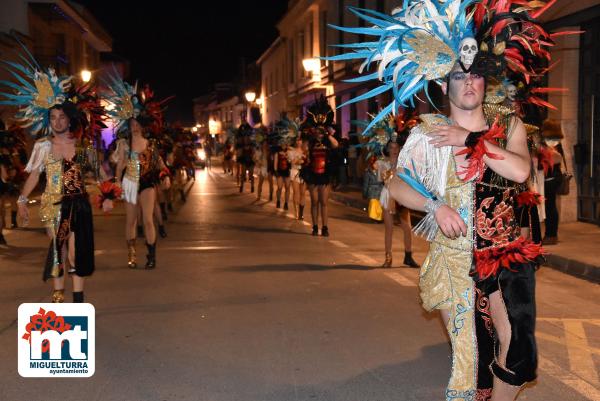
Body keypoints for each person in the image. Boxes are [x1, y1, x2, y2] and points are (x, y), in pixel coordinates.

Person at [329, 1, 561, 399]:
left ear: (485, 81)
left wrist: (471, 140)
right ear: (443, 84)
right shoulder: (428, 133)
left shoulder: (509, 126)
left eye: (475, 76)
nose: (469, 83)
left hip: (505, 259)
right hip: (455, 265)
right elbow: (397, 186)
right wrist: (434, 206)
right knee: (471, 364)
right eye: (458, 76)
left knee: (518, 351)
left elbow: (521, 171)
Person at [0, 47, 108, 302]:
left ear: (70, 120)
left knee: (75, 251)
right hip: (53, 204)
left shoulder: (82, 148)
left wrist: (108, 194)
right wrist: (23, 200)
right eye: (53, 117)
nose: (58, 121)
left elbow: (102, 174)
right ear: (48, 120)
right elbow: (34, 176)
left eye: (62, 117)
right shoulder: (43, 146)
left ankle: (78, 297)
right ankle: (59, 295)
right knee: (59, 249)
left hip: (78, 204)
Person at [105, 74, 169, 270]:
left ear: (142, 124)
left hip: (148, 183)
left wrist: (165, 176)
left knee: (148, 220)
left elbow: (159, 163)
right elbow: (120, 165)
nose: (134, 127)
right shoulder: (124, 144)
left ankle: (151, 256)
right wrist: (116, 182)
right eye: (131, 124)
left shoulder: (151, 144)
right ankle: (132, 254)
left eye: (136, 124)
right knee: (131, 220)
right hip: (130, 183)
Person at [301, 96, 339, 237]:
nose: (319, 133)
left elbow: (336, 145)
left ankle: (325, 227)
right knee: (315, 201)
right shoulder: (310, 142)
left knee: (324, 202)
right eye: (317, 131)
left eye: (320, 131)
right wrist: (309, 136)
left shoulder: (329, 141)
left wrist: (327, 134)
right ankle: (315, 226)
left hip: (325, 173)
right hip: (312, 173)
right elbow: (303, 150)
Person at [540, 119, 565, 245]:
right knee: (551, 207)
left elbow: (555, 159)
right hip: (552, 178)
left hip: (551, 179)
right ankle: (551, 234)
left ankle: (551, 235)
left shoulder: (551, 147)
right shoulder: (554, 145)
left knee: (550, 207)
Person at [288, 135, 307, 219]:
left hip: (304, 173)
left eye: (300, 140)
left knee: (303, 193)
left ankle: (301, 213)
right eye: (297, 140)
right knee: (296, 192)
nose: (298, 142)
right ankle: (296, 211)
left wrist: (304, 159)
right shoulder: (291, 151)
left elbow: (307, 161)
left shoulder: (305, 151)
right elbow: (292, 162)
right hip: (295, 172)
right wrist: (300, 159)